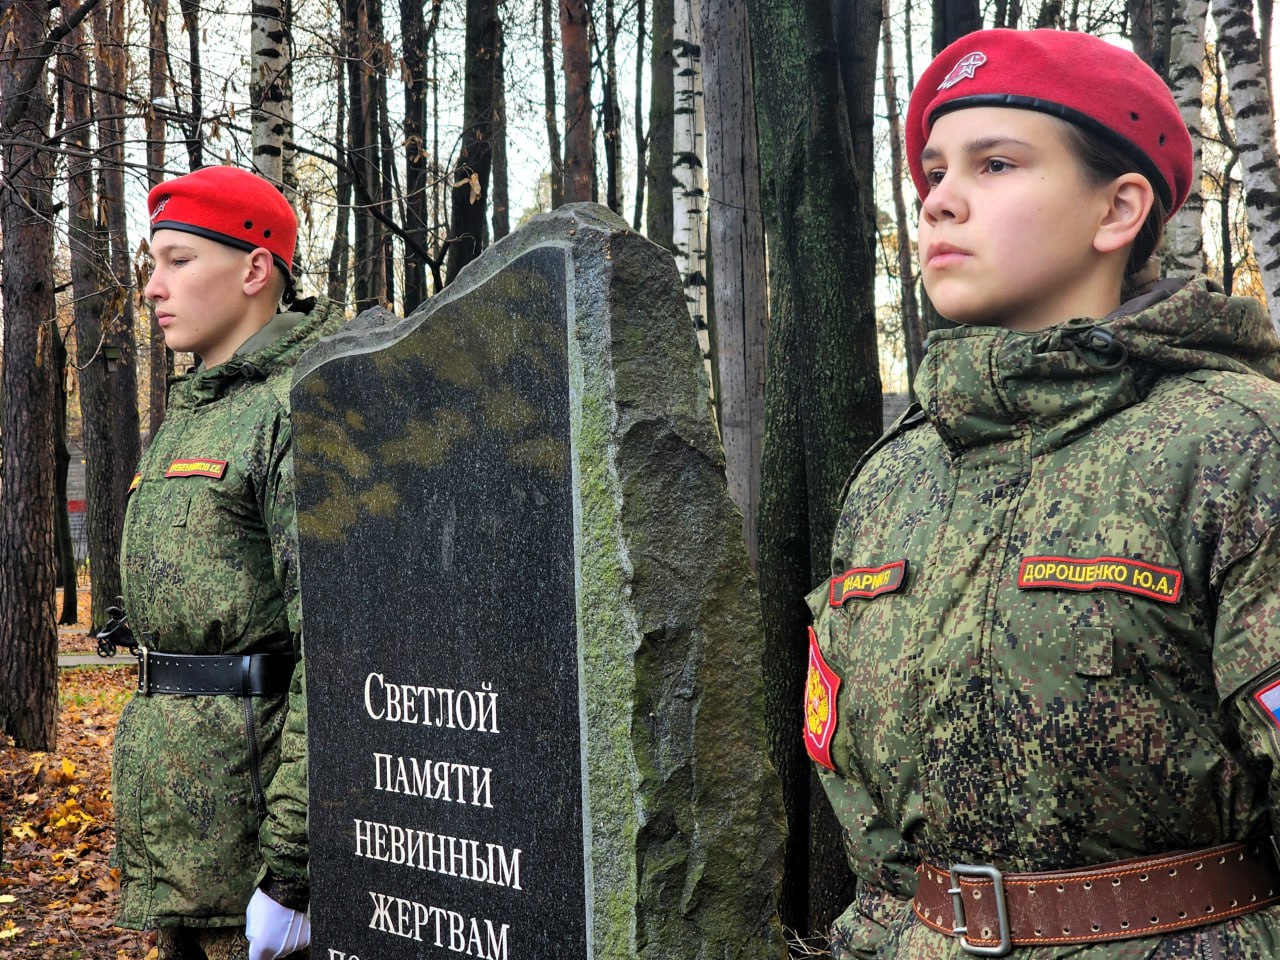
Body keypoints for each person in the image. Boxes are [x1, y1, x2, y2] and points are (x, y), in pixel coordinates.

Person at [804, 28, 1280, 958]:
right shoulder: (897, 475)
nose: (940, 201)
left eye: (996, 164)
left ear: (1118, 209)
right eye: (936, 172)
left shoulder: (1237, 447)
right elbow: (858, 793)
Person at [112, 165, 338, 960]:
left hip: (254, 850)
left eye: (177, 260)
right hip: (185, 848)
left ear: (253, 269)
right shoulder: (202, 406)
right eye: (153, 262)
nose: (151, 286)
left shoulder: (294, 408)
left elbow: (334, 653)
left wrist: (292, 873)